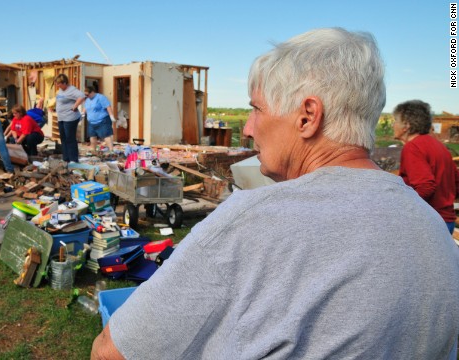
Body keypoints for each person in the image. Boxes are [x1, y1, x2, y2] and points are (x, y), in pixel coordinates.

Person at [91, 28, 459, 359]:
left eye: (256, 109)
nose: (248, 128)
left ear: (307, 116)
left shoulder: (252, 220)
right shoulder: (433, 231)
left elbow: (113, 352)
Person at [393, 100, 459, 234]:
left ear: (406, 125)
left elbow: (425, 186)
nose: (393, 125)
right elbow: (456, 184)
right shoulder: (440, 146)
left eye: (395, 120)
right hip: (447, 221)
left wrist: (400, 207)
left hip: (429, 224)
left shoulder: (413, 147)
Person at [54, 74, 85, 163]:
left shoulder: (72, 90)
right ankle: (66, 158)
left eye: (59, 84)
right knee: (63, 138)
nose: (58, 85)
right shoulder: (61, 90)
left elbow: (82, 96)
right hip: (61, 118)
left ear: (65, 83)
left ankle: (73, 159)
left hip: (70, 118)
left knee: (70, 138)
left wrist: (75, 106)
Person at [83, 86, 116, 153]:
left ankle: (111, 150)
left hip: (102, 120)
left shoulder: (101, 97)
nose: (86, 96)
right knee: (92, 137)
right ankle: (93, 150)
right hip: (91, 122)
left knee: (106, 136)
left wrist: (111, 116)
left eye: (87, 94)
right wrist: (82, 113)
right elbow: (86, 107)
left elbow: (108, 107)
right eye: (85, 95)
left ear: (92, 92)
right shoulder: (87, 100)